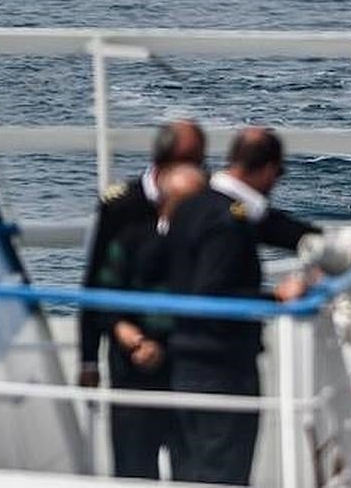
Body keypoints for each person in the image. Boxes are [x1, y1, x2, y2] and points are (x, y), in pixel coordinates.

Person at [160, 127, 315, 485]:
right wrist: (275, 298)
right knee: (223, 471)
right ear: (267, 170)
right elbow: (212, 295)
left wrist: (317, 241)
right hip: (222, 366)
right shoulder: (229, 222)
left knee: (189, 469)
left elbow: (270, 224)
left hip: (183, 361)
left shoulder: (193, 205)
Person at [78, 118, 205, 479]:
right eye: (195, 161)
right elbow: (96, 284)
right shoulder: (121, 206)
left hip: (185, 355)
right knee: (134, 463)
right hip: (131, 354)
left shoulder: (204, 203)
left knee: (191, 462)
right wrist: (89, 358)